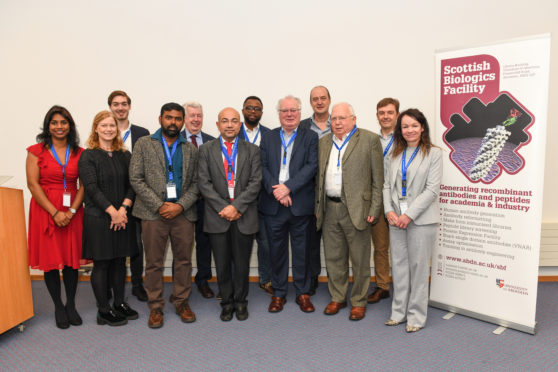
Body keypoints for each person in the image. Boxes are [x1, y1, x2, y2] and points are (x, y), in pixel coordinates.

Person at [129, 103, 198, 329]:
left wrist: (179, 206)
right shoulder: (144, 144)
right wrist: (160, 205)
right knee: (154, 263)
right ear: (160, 119)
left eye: (178, 119)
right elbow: (136, 179)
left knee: (184, 261)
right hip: (152, 214)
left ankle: (181, 301)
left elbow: (197, 184)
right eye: (169, 118)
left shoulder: (189, 148)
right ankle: (156, 306)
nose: (173, 122)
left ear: (183, 121)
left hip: (182, 213)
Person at [315, 102, 384, 321]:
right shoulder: (324, 142)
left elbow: (377, 179)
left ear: (353, 119)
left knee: (360, 259)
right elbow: (319, 177)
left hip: (358, 209)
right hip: (329, 207)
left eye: (342, 118)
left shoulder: (369, 140)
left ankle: (358, 301)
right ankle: (338, 297)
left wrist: (374, 208)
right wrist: (318, 207)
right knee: (334, 257)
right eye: (333, 119)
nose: (337, 122)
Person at [198, 107, 262, 321]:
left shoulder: (252, 150)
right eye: (225, 121)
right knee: (222, 263)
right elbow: (203, 183)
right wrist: (223, 207)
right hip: (217, 216)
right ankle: (226, 303)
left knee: (242, 264)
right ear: (218, 125)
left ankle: (241, 302)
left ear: (240, 124)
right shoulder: (206, 150)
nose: (230, 125)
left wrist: (237, 207)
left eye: (234, 121)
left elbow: (255, 183)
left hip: (244, 215)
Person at [26, 105, 85, 329]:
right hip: (45, 210)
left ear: (70, 126)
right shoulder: (35, 151)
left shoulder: (80, 152)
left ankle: (71, 304)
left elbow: (84, 185)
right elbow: (33, 184)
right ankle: (58, 307)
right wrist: (54, 212)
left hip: (73, 211)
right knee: (51, 262)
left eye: (63, 122)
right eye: (54, 123)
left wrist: (70, 212)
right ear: (48, 126)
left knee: (71, 261)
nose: (59, 127)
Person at [383, 108, 442, 333]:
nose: (410, 130)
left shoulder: (434, 154)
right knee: (398, 266)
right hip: (396, 219)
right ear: (400, 129)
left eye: (414, 126)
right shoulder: (394, 154)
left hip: (421, 220)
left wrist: (409, 215)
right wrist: (389, 210)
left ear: (422, 127)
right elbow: (387, 185)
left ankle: (416, 316)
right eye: (405, 126)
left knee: (418, 268)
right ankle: (398, 312)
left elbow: (432, 190)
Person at [79, 110, 139, 326]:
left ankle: (120, 303)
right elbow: (92, 189)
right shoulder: (88, 155)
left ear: (117, 128)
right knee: (103, 263)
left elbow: (133, 185)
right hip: (99, 218)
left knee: (120, 262)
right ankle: (103, 310)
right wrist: (112, 212)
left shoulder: (125, 155)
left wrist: (123, 209)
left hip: (123, 217)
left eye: (112, 125)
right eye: (103, 125)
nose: (108, 129)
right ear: (96, 128)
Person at [260, 95, 318, 313]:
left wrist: (288, 187)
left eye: (293, 110)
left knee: (302, 251)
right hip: (274, 204)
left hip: (299, 203)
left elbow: (311, 166)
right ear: (279, 114)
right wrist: (278, 190)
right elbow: (262, 167)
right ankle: (278, 293)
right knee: (276, 251)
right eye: (285, 111)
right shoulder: (268, 137)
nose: (290, 114)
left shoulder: (310, 137)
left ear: (300, 112)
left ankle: (303, 293)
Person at [108, 90, 150, 302]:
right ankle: (110, 285)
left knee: (136, 244)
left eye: (124, 104)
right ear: (110, 107)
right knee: (111, 243)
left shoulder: (143, 133)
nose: (120, 107)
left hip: (136, 197)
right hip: (110, 196)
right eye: (116, 104)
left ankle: (136, 284)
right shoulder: (105, 130)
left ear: (129, 106)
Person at [180, 101, 216, 299]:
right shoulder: (174, 140)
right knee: (182, 244)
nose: (196, 119)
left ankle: (203, 280)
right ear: (185, 119)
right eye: (192, 115)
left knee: (204, 243)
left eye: (199, 115)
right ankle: (181, 283)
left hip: (205, 202)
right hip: (182, 203)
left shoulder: (212, 140)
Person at [299, 85, 331, 295]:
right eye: (315, 99)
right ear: (310, 103)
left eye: (323, 98)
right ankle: (311, 278)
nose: (319, 102)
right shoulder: (301, 127)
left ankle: (337, 280)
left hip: (333, 189)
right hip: (308, 190)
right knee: (310, 239)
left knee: (334, 238)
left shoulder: (339, 123)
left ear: (329, 100)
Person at [367, 98, 400, 305]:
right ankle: (382, 286)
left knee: (403, 247)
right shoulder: (371, 140)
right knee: (380, 247)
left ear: (397, 114)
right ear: (377, 115)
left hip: (400, 200)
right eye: (381, 113)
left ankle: (407, 285)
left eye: (390, 112)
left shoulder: (406, 137)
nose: (385, 116)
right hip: (378, 199)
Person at [240, 95, 273, 295]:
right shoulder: (234, 133)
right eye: (249, 108)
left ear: (261, 113)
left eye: (257, 108)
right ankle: (236, 282)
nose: (253, 111)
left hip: (264, 198)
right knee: (238, 245)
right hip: (240, 198)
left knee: (266, 243)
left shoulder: (270, 135)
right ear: (243, 110)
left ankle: (265, 279)